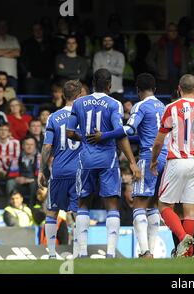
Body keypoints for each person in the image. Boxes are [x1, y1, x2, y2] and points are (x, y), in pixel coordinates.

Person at [150, 52, 194, 257]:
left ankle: (182, 238)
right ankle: (188, 254)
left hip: (177, 160)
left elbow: (159, 141)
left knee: (164, 205)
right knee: (192, 210)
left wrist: (154, 161)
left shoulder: (171, 108)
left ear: (179, 89)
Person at [87, 73, 167, 259]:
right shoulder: (163, 106)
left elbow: (129, 129)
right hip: (166, 158)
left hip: (148, 157)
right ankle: (152, 251)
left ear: (138, 90)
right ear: (154, 89)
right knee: (154, 204)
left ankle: (145, 251)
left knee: (139, 203)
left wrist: (104, 135)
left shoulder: (140, 106)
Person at [66, 69, 140, 258]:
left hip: (86, 159)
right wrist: (132, 161)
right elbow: (119, 132)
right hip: (108, 159)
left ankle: (82, 252)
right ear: (109, 85)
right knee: (112, 205)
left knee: (82, 203)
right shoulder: (114, 103)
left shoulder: (79, 103)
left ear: (92, 83)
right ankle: (110, 253)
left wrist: (85, 137)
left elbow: (68, 131)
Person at [37, 80, 83, 259]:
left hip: (59, 171)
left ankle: (51, 254)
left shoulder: (53, 117)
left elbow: (47, 146)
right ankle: (79, 252)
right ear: (79, 95)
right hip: (79, 171)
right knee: (79, 211)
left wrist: (42, 170)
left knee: (52, 211)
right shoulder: (83, 115)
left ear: (63, 96)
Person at [146, 23, 186, 94]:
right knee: (163, 99)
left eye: (175, 30)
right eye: (171, 30)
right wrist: (158, 69)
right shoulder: (159, 44)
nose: (173, 32)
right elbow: (149, 59)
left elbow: (185, 61)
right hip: (162, 79)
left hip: (177, 78)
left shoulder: (181, 45)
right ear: (167, 32)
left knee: (176, 99)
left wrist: (183, 72)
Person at [20, 22, 53, 94]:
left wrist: (52, 72)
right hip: (32, 78)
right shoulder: (27, 43)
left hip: (46, 77)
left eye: (39, 29)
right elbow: (22, 60)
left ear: (43, 30)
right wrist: (26, 72)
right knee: (32, 100)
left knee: (46, 101)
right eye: (35, 29)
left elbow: (53, 59)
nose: (38, 31)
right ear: (32, 31)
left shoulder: (49, 43)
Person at [0, 123, 20, 208]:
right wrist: (1, 171)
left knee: (11, 183)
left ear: (9, 132)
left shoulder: (15, 143)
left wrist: (8, 173)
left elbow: (16, 161)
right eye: (1, 130)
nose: (3, 132)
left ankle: (10, 207)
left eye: (5, 130)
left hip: (11, 172)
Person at [0, 20, 20, 89]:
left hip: (12, 75)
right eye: (1, 26)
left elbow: (17, 53)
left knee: (11, 97)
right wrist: (11, 49)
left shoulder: (13, 39)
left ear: (7, 27)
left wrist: (0, 52)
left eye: (4, 25)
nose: (2, 27)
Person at [15, 137, 40, 206]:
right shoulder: (17, 156)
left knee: (34, 184)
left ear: (35, 146)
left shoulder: (39, 157)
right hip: (20, 179)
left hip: (34, 180)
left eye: (32, 145)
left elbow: (42, 176)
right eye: (27, 144)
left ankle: (31, 206)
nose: (29, 147)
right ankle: (12, 206)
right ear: (23, 146)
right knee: (10, 183)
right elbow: (12, 173)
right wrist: (16, 178)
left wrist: (29, 180)